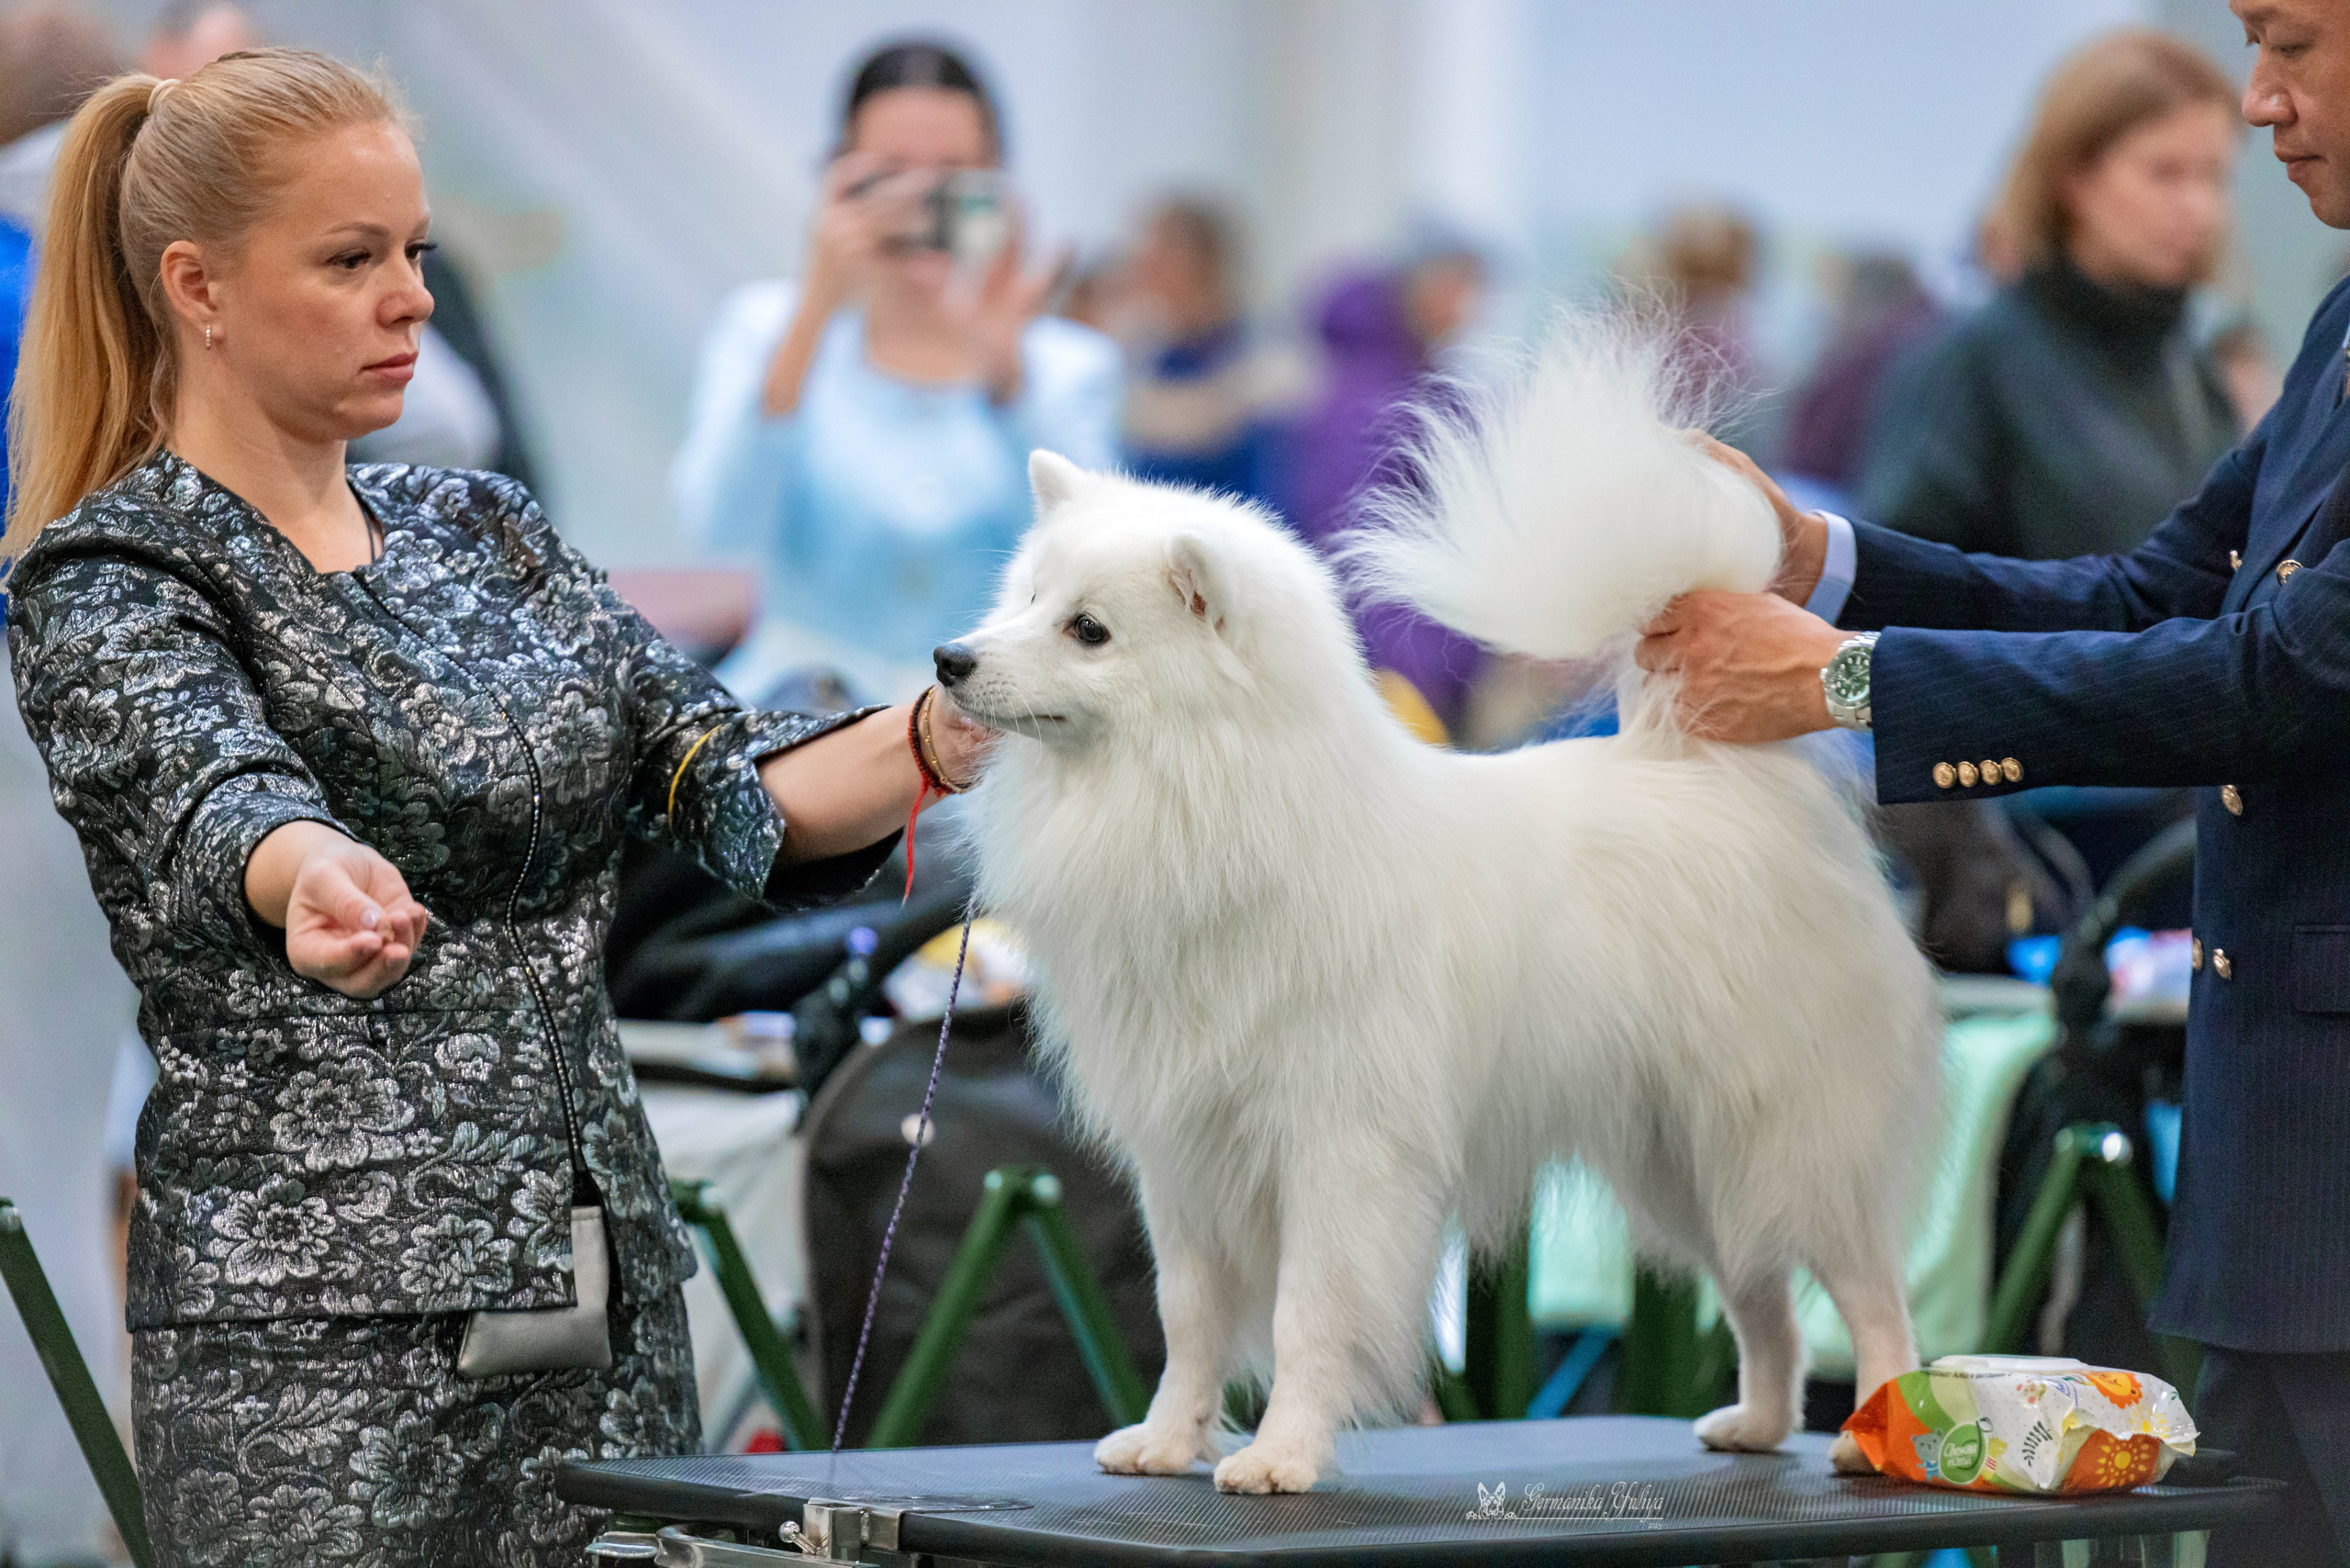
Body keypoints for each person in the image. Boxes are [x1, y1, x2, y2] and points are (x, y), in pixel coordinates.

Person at [1, 50, 990, 1566]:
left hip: (592, 1282)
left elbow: (715, 774)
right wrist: (311, 870)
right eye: (352, 260)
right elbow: (209, 789)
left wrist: (938, 728)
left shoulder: (487, 524)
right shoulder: (109, 576)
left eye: (418, 255)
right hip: (324, 1343)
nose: (411, 299)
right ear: (196, 288)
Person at [1635, 5, 2350, 1559]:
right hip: (2278, 1203)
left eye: (2294, 41)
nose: (2256, 101)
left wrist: (1845, 680)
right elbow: (2155, 595)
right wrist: (1828, 561)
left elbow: (2279, 673)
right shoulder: (2341, 322)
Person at [674, 39, 1118, 702]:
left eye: (953, 177)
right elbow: (718, 531)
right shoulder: (766, 329)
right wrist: (815, 307)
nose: (918, 204)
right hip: (796, 717)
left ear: (1000, 187)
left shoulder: (1063, 366)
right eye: (888, 175)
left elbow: (1105, 560)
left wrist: (1007, 373)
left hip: (988, 736)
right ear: (836, 179)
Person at [1858, 29, 2243, 561]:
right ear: (2073, 178)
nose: (2199, 208)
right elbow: (1904, 581)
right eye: (2165, 173)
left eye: (2214, 177)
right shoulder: (1972, 363)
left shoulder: (2192, 369)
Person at [1284, 243, 1487, 735]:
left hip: (1423, 656)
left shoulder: (1424, 384)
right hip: (1392, 669)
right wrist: (1413, 671)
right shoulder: (1372, 398)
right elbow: (1358, 535)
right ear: (1420, 291)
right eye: (1458, 290)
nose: (1469, 311)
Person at [1112, 196, 1288, 503]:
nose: (1143, 276)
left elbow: (1205, 426)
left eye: (1159, 261)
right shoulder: (1154, 355)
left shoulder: (1256, 355)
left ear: (1203, 266)